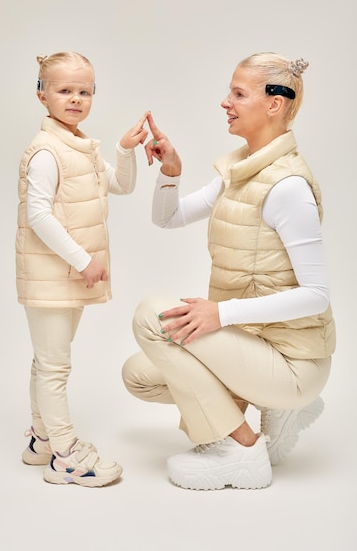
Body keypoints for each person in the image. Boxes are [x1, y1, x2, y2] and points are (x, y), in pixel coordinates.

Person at [122, 52, 336, 490]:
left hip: (294, 361)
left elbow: (318, 294)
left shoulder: (288, 187)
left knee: (152, 315)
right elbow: (168, 217)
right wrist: (171, 172)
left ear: (273, 104)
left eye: (238, 94)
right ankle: (271, 408)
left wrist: (221, 314)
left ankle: (240, 449)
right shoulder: (239, 171)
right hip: (255, 344)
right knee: (138, 376)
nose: (225, 102)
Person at [17, 51, 149, 487]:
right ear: (42, 95)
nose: (75, 99)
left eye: (84, 91)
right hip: (53, 277)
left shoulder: (81, 148)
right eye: (64, 90)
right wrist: (83, 260)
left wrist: (125, 150)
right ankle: (66, 455)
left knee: (47, 362)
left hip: (67, 278)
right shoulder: (45, 152)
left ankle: (41, 439)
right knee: (54, 367)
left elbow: (121, 185)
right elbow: (38, 215)